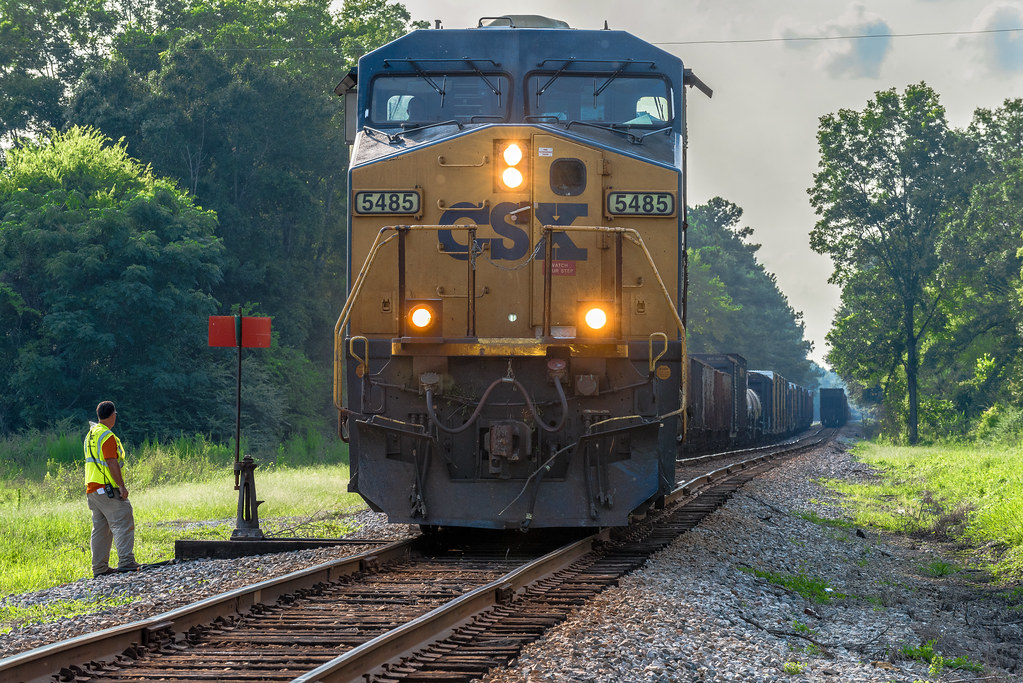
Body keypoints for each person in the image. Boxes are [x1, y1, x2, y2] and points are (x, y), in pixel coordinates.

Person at [84, 401, 140, 577]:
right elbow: (111, 462)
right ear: (113, 415)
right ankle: (126, 561)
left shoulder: (91, 434)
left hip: (92, 490)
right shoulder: (107, 436)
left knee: (101, 528)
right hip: (107, 488)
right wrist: (121, 487)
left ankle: (99, 568)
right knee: (123, 518)